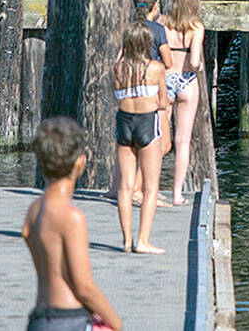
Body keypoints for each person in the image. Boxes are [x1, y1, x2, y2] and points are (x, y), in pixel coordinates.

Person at [22, 117, 123, 331]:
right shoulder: (72, 217)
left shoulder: (33, 211)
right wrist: (116, 323)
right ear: (80, 162)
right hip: (68, 320)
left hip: (40, 318)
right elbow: (83, 286)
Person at [111, 22, 168, 254]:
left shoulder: (115, 69)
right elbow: (163, 102)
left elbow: (115, 96)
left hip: (124, 123)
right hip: (146, 122)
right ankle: (143, 241)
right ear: (146, 43)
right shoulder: (155, 68)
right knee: (151, 187)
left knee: (125, 187)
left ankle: (126, 240)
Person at [159, 0, 205, 205]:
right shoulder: (197, 27)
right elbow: (195, 62)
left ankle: (152, 188)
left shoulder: (163, 23)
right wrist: (200, 67)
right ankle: (177, 194)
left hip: (165, 79)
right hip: (186, 81)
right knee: (183, 141)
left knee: (159, 137)